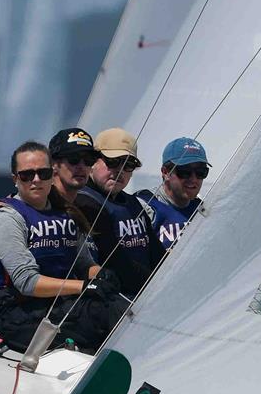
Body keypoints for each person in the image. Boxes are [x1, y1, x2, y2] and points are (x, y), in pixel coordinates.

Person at [0, 140, 127, 353]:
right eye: (27, 175)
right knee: (103, 315)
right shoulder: (7, 218)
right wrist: (85, 287)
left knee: (118, 306)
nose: (36, 180)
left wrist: (101, 275)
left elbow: (83, 263)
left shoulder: (64, 214)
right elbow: (27, 282)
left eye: (43, 173)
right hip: (16, 313)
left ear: (52, 175)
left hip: (56, 304)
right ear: (15, 179)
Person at [76, 128, 165, 297]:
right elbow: (115, 261)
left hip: (142, 296)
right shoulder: (84, 203)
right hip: (110, 300)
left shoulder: (132, 203)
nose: (120, 170)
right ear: (93, 161)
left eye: (128, 165)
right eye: (113, 162)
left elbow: (156, 252)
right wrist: (158, 288)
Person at [137, 137, 210, 250]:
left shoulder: (203, 210)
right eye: (185, 172)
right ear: (165, 172)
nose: (194, 179)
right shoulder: (145, 207)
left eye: (201, 172)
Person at [49, 127, 100, 203]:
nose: (81, 166)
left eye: (88, 159)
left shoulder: (87, 209)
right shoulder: (41, 204)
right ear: (54, 163)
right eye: (73, 158)